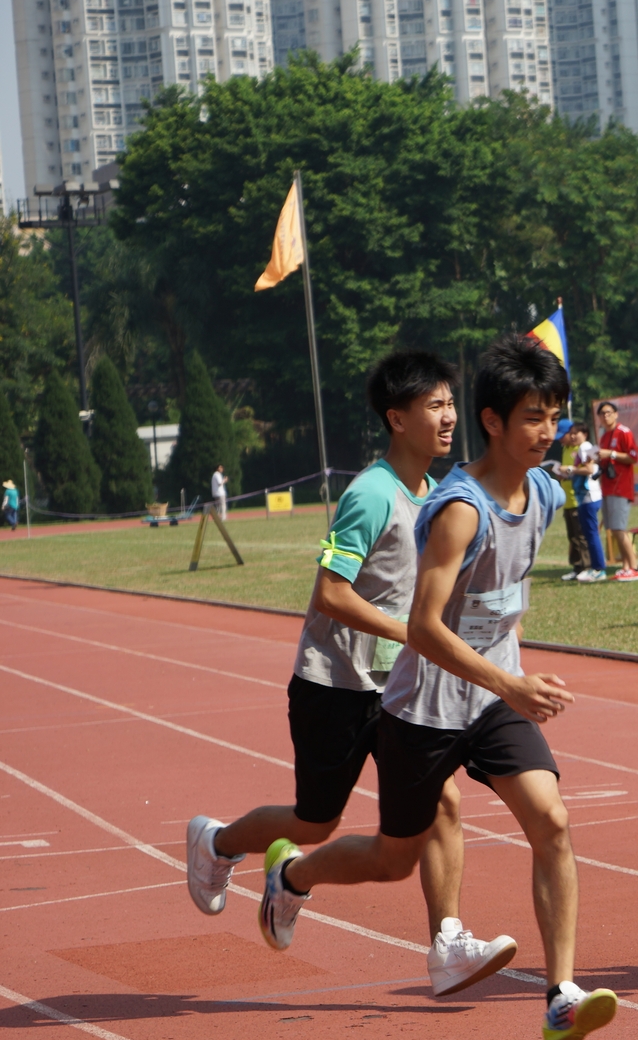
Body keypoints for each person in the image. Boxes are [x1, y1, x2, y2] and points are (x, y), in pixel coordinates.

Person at [256, 334, 620, 1040]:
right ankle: (293, 875)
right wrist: (511, 680)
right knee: (394, 858)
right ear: (494, 421)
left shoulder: (546, 493)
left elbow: (505, 594)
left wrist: (507, 673)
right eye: (534, 417)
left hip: (490, 702)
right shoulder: (460, 509)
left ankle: (561, 997)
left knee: (552, 820)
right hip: (422, 709)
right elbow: (423, 627)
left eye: (555, 416)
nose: (549, 431)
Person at [184, 351, 515, 999]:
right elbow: (330, 594)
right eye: (434, 406)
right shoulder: (371, 493)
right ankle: (218, 843)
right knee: (315, 822)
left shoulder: (439, 496)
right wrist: (412, 632)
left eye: (451, 403)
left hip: (402, 690)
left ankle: (448, 944)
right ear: (397, 418)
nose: (449, 417)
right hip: (335, 685)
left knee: (444, 802)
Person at [552, 420, 607, 584]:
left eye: (576, 433)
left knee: (590, 534)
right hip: (583, 497)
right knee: (587, 535)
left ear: (585, 434)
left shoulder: (584, 447)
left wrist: (569, 469)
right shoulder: (583, 447)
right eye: (572, 433)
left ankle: (598, 568)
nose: (573, 436)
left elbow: (589, 470)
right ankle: (592, 568)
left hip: (588, 496)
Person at [594, 399, 638, 581]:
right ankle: (625, 567)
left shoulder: (624, 432)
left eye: (608, 413)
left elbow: (633, 457)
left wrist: (611, 454)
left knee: (620, 529)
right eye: (602, 414)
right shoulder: (604, 436)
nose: (605, 416)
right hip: (607, 486)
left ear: (616, 414)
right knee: (613, 529)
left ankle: (634, 567)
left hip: (621, 487)